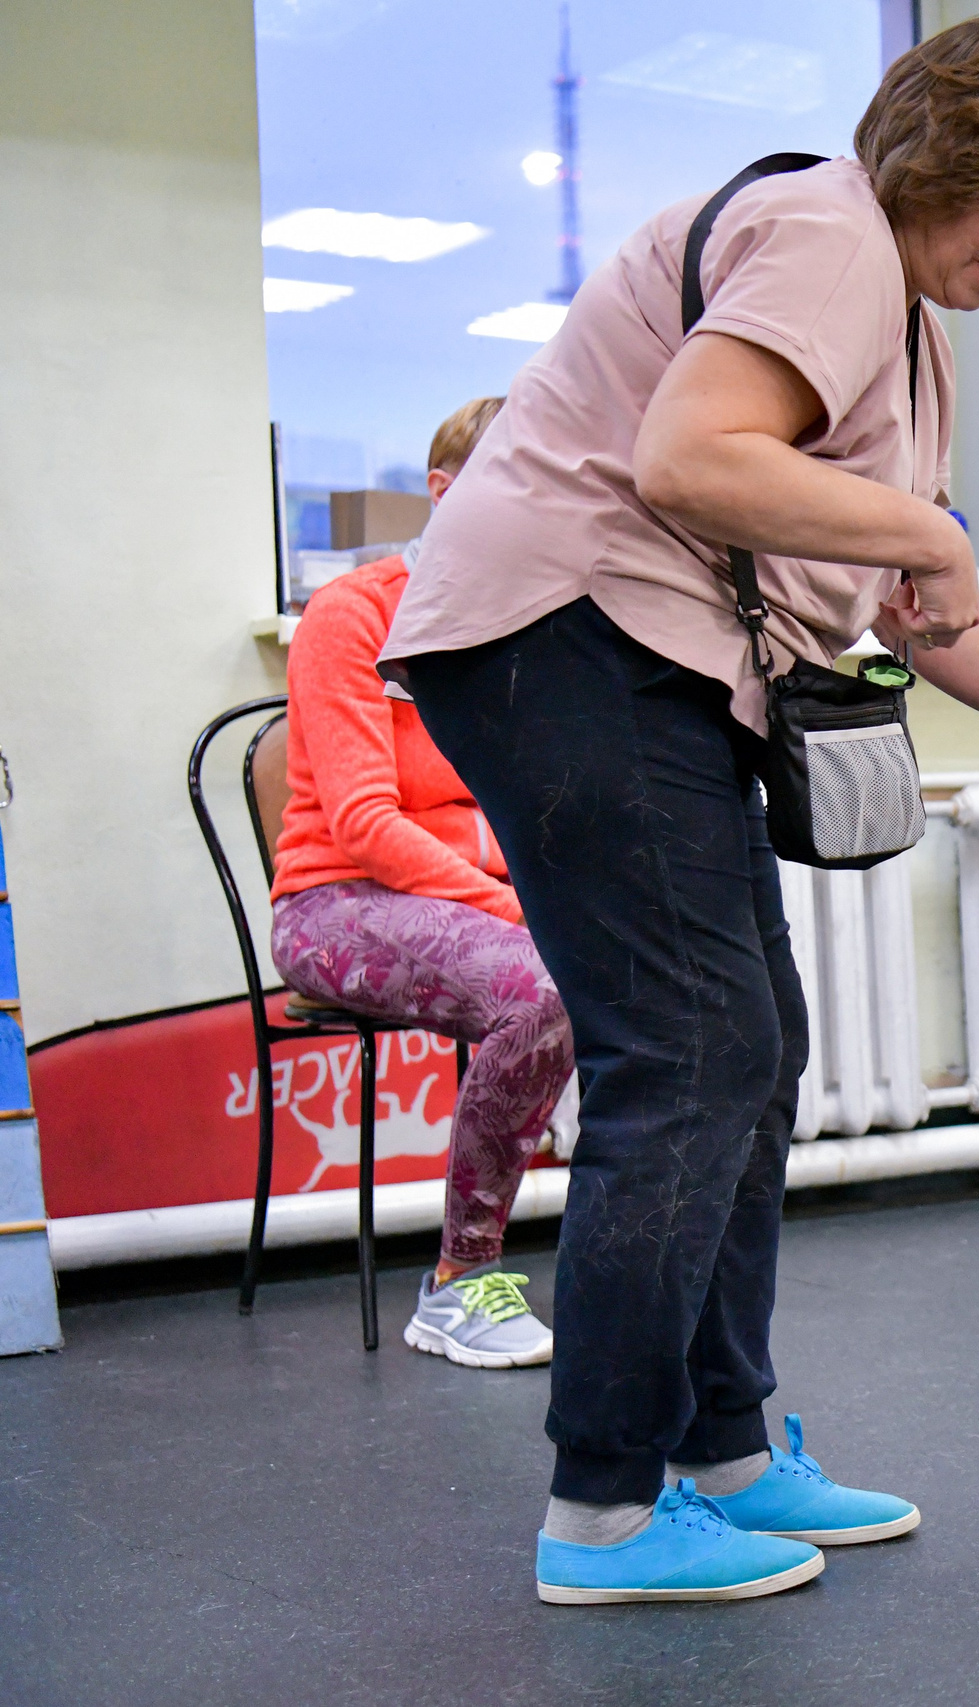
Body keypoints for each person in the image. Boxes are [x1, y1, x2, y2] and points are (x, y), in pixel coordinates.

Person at [379, 15, 979, 1605]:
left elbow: (929, 617)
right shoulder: (830, 230)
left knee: (753, 1047)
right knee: (694, 1051)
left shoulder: (911, 335)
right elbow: (690, 459)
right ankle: (605, 1514)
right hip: (570, 633)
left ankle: (729, 1451)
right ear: (939, 151)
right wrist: (926, 526)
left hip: (655, 663)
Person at [269, 396, 568, 1371]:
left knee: (657, 980)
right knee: (552, 990)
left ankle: (641, 1276)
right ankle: (458, 1279)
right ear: (442, 493)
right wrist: (521, 904)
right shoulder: (353, 613)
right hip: (336, 904)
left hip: (474, 899)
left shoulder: (533, 627)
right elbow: (366, 824)